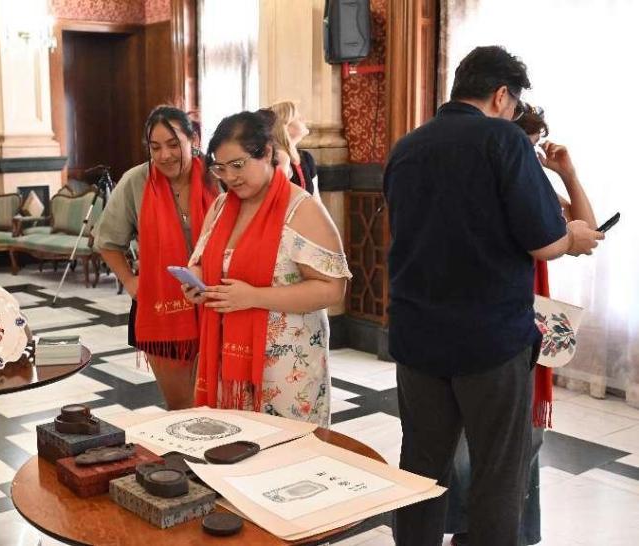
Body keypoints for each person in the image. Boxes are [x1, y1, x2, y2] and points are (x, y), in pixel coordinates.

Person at [383, 46, 604, 546]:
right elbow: (545, 242)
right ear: (502, 95)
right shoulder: (502, 140)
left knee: (420, 466)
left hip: (417, 336)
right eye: (513, 103)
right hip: (488, 340)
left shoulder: (407, 146)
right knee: (496, 472)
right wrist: (574, 237)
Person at [446, 104, 597, 546]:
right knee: (469, 441)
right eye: (524, 146)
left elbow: (584, 230)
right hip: (489, 320)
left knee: (525, 436)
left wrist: (566, 173)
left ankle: (503, 528)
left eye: (532, 147)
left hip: (530, 320)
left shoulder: (531, 185)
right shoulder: (483, 185)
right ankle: (473, 528)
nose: (529, 156)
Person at [183, 111, 350, 426]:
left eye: (238, 165)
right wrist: (196, 278)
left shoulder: (300, 209)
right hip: (226, 358)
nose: (230, 177)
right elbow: (204, 262)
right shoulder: (221, 207)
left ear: (269, 154)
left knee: (285, 457)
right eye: (220, 168)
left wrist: (254, 297)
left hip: (285, 366)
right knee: (229, 449)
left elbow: (332, 288)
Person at [93, 106, 218, 410]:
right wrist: (131, 281)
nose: (164, 156)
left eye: (174, 145)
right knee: (183, 407)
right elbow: (106, 240)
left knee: (220, 404)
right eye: (155, 147)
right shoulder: (136, 181)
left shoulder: (218, 176)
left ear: (195, 139)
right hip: (163, 308)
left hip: (220, 302)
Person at [267, 101, 323, 204]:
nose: (303, 119)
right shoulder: (273, 158)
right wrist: (284, 161)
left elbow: (316, 201)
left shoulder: (306, 157)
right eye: (298, 117)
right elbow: (276, 199)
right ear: (286, 127)